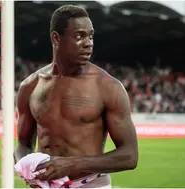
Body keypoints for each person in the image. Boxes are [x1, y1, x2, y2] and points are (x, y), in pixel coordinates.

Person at [14, 4, 138, 188]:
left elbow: (130, 156)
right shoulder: (30, 86)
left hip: (91, 185)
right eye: (80, 36)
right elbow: (23, 144)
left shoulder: (108, 87)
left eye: (91, 36)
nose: (89, 43)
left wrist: (71, 163)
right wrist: (28, 169)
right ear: (56, 38)